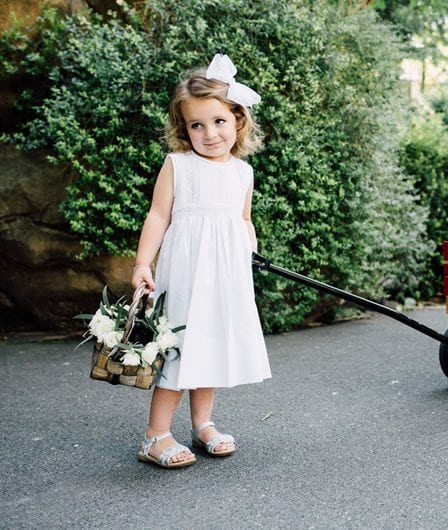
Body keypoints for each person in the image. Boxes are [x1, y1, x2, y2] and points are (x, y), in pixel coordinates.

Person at [131, 54, 271, 468]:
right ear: (184, 129)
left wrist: (251, 257)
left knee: (211, 344)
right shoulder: (178, 165)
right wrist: (143, 263)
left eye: (219, 122)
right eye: (197, 125)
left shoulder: (243, 173)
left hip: (226, 274)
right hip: (187, 271)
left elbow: (243, 220)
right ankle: (155, 436)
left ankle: (203, 424)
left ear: (238, 121)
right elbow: (158, 215)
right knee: (178, 346)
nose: (210, 133)